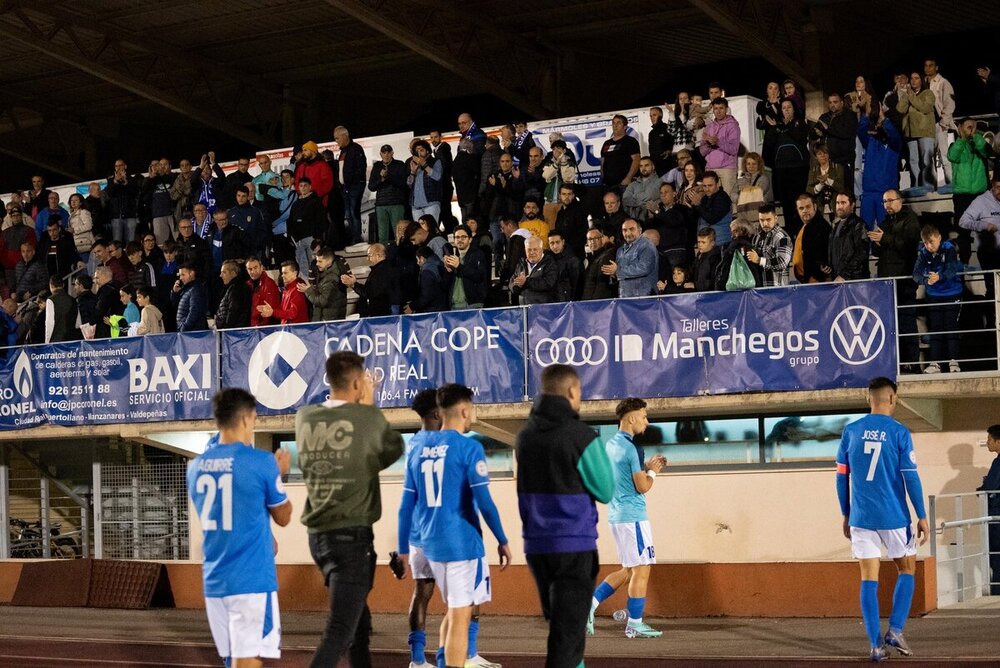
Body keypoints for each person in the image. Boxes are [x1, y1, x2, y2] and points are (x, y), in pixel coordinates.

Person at [297, 351, 404, 667]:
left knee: (358, 624)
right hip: (351, 539)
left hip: (319, 536)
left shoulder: (305, 417)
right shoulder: (366, 418)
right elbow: (393, 449)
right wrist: (370, 405)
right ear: (358, 382)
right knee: (340, 631)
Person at [396, 384, 511, 668]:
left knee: (449, 610)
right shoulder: (468, 446)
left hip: (429, 542)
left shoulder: (417, 448)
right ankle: (460, 660)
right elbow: (484, 502)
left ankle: (429, 660)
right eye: (471, 409)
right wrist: (502, 538)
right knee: (460, 616)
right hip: (462, 543)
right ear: (463, 410)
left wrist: (401, 549)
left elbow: (405, 506)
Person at [516, 365, 614, 667]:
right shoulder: (581, 436)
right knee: (567, 640)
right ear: (572, 391)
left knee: (564, 630)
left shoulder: (524, 437)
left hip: (537, 547)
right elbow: (606, 490)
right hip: (574, 545)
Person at [187, 388, 292, 668]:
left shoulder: (195, 468)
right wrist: (279, 474)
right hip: (252, 578)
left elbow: (230, 512)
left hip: (216, 579)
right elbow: (283, 516)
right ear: (246, 418)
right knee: (249, 659)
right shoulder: (261, 462)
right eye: (255, 419)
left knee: (233, 657)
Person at [835, 377, 929, 662]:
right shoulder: (900, 432)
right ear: (893, 399)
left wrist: (846, 513)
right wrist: (922, 515)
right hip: (894, 516)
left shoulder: (850, 431)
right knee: (907, 569)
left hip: (861, 518)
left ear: (869, 399)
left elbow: (842, 478)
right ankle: (896, 629)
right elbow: (910, 477)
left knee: (868, 578)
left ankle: (876, 646)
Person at [588, 398, 667, 639]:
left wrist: (644, 467)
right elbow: (642, 486)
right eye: (643, 416)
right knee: (641, 571)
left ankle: (588, 605)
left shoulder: (610, 444)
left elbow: (620, 477)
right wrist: (652, 471)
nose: (646, 421)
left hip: (617, 517)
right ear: (631, 418)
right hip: (633, 517)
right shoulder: (632, 448)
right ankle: (634, 624)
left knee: (630, 570)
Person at [870, 190, 921, 370]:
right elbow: (878, 252)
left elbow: (908, 246)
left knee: (907, 323)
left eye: (890, 200)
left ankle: (913, 364)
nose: (887, 205)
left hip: (904, 281)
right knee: (891, 326)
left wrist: (885, 238)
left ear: (900, 200)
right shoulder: (885, 222)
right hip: (886, 284)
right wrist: (876, 243)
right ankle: (897, 365)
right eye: (884, 201)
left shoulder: (910, 220)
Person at [912, 225, 963, 373]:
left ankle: (954, 362)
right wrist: (925, 281)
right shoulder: (923, 252)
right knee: (936, 328)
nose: (929, 246)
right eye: (926, 243)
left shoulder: (948, 248)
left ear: (939, 238)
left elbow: (952, 269)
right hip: (933, 295)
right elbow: (916, 274)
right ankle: (935, 363)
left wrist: (939, 277)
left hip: (952, 294)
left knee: (951, 327)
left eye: (931, 242)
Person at [947, 117, 989, 265]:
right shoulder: (955, 145)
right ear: (959, 127)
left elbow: (986, 151)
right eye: (967, 127)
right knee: (962, 234)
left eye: (973, 127)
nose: (970, 129)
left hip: (981, 195)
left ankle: (988, 278)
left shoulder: (979, 142)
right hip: (962, 196)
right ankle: (963, 266)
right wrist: (963, 138)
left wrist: (975, 137)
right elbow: (952, 156)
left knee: (985, 236)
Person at [897, 72, 937, 190]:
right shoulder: (909, 94)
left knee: (926, 160)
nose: (913, 81)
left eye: (916, 78)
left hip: (925, 131)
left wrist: (911, 96)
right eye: (912, 78)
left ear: (922, 80)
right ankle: (916, 186)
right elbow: (900, 109)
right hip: (910, 132)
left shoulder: (928, 93)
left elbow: (925, 108)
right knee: (913, 161)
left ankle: (928, 187)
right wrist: (906, 95)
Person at [699, 97, 741, 203]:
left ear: (726, 109)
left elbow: (734, 149)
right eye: (715, 108)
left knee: (728, 201)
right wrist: (709, 145)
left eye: (721, 108)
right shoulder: (709, 127)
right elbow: (702, 151)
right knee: (710, 201)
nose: (718, 111)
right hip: (710, 168)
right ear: (712, 109)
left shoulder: (733, 126)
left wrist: (718, 142)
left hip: (727, 169)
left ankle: (732, 220)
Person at [603, 218, 658, 298]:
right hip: (624, 298)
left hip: (644, 298)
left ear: (640, 230)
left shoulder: (647, 245)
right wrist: (613, 275)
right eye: (624, 230)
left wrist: (618, 271)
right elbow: (618, 275)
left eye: (631, 229)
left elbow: (644, 268)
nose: (628, 233)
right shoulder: (620, 250)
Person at [343, 243, 400, 317]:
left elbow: (370, 292)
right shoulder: (381, 269)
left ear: (378, 255)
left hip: (382, 315)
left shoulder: (382, 271)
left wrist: (354, 284)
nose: (368, 259)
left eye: (369, 255)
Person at [825, 192, 870, 282]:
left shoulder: (859, 224)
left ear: (852, 205)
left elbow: (861, 254)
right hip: (839, 279)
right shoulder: (836, 226)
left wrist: (845, 275)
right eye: (837, 203)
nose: (839, 206)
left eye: (843, 203)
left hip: (855, 281)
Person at [977, 425, 1000, 595]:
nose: (987, 443)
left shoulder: (998, 462)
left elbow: (990, 487)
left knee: (996, 557)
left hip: (996, 516)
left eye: (990, 440)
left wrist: (981, 490)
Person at [748, 204, 792, 286]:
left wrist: (759, 260)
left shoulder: (782, 237)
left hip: (777, 289)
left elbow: (782, 263)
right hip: (760, 287)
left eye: (768, 219)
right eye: (761, 220)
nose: (765, 223)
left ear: (776, 219)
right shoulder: (757, 235)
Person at [792, 193, 832, 284]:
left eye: (808, 207)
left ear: (815, 206)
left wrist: (821, 268)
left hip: (818, 281)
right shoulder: (803, 226)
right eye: (801, 208)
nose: (805, 211)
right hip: (807, 280)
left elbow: (825, 254)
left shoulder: (822, 227)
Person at [510, 235, 558, 305]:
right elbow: (511, 283)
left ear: (542, 250)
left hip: (543, 310)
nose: (532, 252)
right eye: (529, 250)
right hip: (523, 309)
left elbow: (548, 283)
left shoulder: (549, 263)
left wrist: (526, 281)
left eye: (535, 249)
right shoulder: (521, 263)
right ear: (525, 250)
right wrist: (517, 286)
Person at [691, 227, 722, 292]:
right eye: (698, 242)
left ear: (712, 243)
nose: (700, 245)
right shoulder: (699, 255)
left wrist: (696, 286)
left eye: (703, 242)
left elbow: (715, 281)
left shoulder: (716, 258)